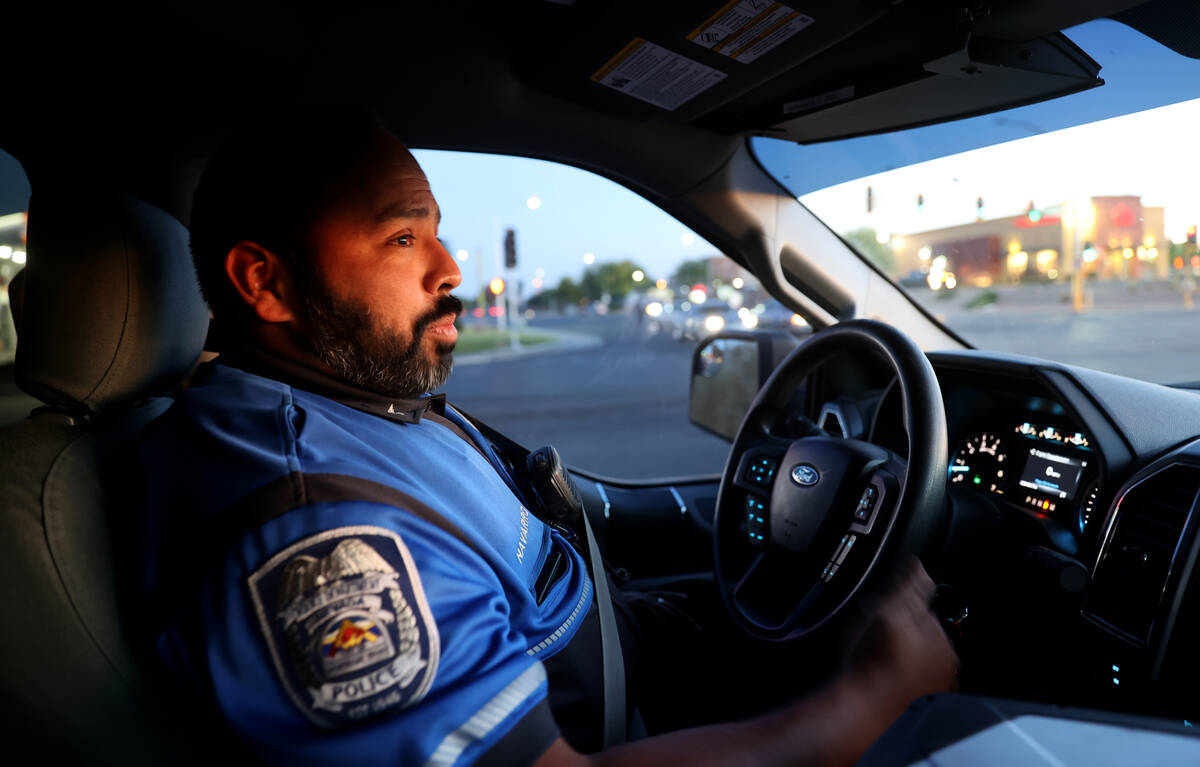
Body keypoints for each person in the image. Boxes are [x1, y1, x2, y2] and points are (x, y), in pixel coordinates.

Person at [139, 109, 957, 766]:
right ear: (265, 281)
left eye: (435, 231)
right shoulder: (318, 540)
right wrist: (876, 693)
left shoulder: (342, 399)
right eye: (402, 238)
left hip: (621, 660)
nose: (450, 267)